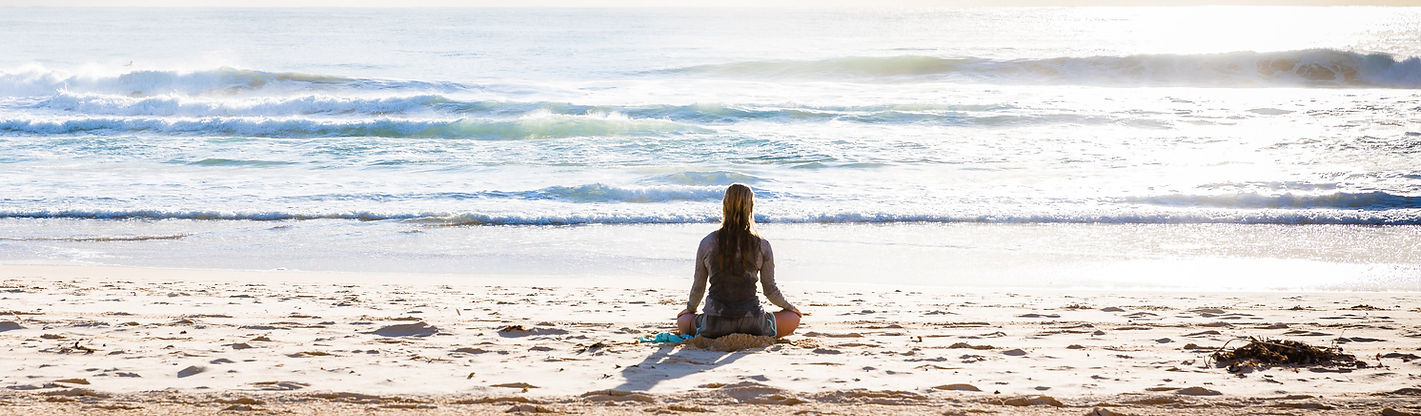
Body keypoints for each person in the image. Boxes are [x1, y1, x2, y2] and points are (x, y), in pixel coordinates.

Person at [676, 183, 801, 338]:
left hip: (714, 324)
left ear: (725, 205)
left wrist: (690, 309)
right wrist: (790, 307)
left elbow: (698, 287)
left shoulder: (708, 242)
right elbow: (770, 290)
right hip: (753, 323)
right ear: (750, 207)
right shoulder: (762, 245)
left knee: (682, 319)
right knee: (794, 318)